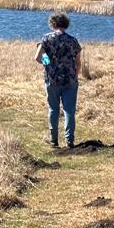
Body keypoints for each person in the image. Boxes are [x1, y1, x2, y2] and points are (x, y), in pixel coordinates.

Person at [34, 12, 82, 148]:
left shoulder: (46, 39)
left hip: (52, 79)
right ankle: (69, 141)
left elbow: (37, 57)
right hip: (70, 80)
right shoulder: (73, 40)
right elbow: (78, 62)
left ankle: (54, 140)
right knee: (69, 110)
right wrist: (75, 75)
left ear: (53, 24)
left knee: (53, 109)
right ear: (66, 24)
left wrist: (48, 63)